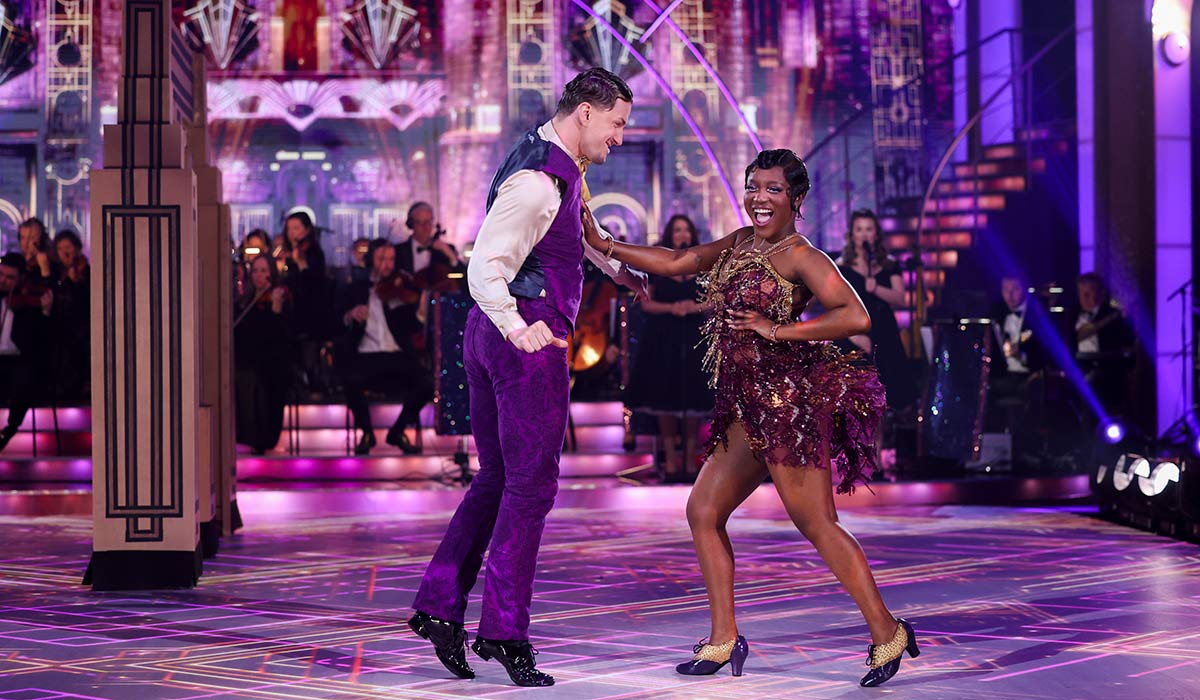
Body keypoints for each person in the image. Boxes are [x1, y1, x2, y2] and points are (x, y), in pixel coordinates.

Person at [582, 149, 917, 687]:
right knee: (703, 510)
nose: (760, 198)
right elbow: (678, 262)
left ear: (797, 200)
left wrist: (776, 329)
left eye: (773, 190)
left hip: (788, 408)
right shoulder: (740, 241)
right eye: (753, 187)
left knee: (816, 524)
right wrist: (605, 244)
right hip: (744, 408)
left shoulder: (801, 256)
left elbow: (855, 316)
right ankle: (723, 638)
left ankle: (887, 631)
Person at [409, 67, 647, 688]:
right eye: (618, 123)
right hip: (523, 338)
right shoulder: (541, 181)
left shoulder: (555, 160)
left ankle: (439, 606)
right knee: (531, 489)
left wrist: (615, 268)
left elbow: (573, 235)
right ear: (587, 113)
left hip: (494, 337)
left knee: (499, 479)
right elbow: (482, 268)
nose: (620, 136)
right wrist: (521, 328)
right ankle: (505, 633)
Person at [625, 214, 713, 482]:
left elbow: (713, 300)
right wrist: (672, 308)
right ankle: (670, 459)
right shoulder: (658, 265)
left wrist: (693, 307)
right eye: (677, 230)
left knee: (693, 398)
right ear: (669, 234)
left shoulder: (703, 264)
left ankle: (690, 456)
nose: (681, 234)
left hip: (694, 335)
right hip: (664, 336)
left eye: (686, 229)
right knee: (665, 397)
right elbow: (646, 303)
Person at [334, 239, 431, 455]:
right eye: (381, 259)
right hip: (366, 356)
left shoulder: (398, 288)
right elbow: (336, 322)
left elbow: (412, 325)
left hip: (396, 355)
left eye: (391, 260)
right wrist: (351, 315)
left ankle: (397, 431)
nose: (387, 265)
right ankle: (366, 433)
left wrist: (421, 309)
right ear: (370, 260)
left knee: (427, 382)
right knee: (350, 378)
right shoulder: (355, 289)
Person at [835, 209, 919, 410]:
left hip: (884, 331)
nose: (864, 235)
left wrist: (877, 288)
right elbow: (836, 305)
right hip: (854, 332)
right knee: (856, 396)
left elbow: (900, 298)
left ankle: (884, 438)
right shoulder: (841, 266)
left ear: (876, 233)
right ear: (852, 234)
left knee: (887, 395)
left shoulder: (887, 264)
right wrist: (854, 335)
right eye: (859, 229)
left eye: (869, 229)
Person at [233, 255, 293, 455]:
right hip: (250, 359)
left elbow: (282, 335)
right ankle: (248, 436)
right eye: (256, 271)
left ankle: (264, 439)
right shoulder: (246, 301)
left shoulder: (279, 298)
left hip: (273, 361)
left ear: (272, 274)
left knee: (264, 377)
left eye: (264, 271)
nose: (259, 276)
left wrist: (276, 308)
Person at [1073, 272, 1135, 420]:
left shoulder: (1114, 316)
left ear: (1100, 293)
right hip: (1078, 371)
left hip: (1108, 374)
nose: (1086, 298)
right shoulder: (1072, 314)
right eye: (1083, 293)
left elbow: (1128, 344)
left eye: (1089, 293)